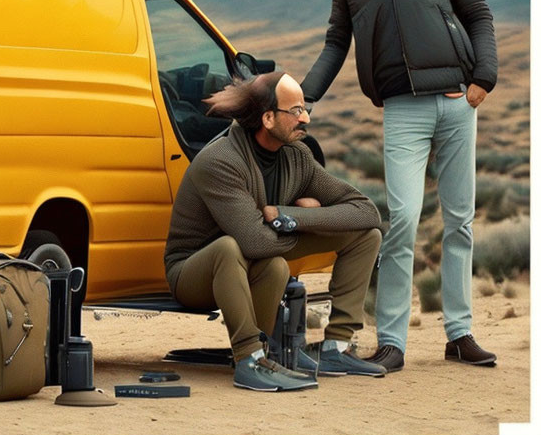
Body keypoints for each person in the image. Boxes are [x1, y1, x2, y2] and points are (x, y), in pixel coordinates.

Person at [301, 0, 499, 372]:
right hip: (402, 108)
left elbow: (477, 11)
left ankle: (459, 333)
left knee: (459, 220)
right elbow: (336, 39)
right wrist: (304, 96)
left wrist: (483, 79)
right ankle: (393, 340)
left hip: (457, 99)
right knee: (403, 220)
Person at [164, 71, 388, 392]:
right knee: (231, 248)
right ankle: (248, 359)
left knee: (365, 235)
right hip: (196, 271)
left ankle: (334, 348)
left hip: (261, 253)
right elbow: (252, 241)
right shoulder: (220, 161)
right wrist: (297, 224)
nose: (305, 118)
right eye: (295, 111)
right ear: (268, 118)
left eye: (304, 109)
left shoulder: (297, 157)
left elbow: (366, 211)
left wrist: (291, 216)